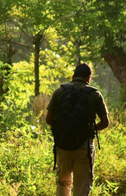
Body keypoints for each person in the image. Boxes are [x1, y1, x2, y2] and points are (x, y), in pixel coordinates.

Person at [46, 63, 109, 196]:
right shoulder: (95, 94)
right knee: (81, 188)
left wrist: (64, 129)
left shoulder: (60, 91)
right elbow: (105, 122)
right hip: (84, 147)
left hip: (62, 146)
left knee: (63, 184)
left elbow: (48, 119)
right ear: (89, 78)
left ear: (73, 76)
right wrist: (90, 130)